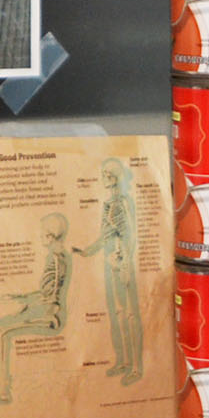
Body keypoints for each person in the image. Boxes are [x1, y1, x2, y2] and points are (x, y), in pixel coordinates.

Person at [0, 214, 71, 408]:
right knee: (0, 324)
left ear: (51, 236)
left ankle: (2, 393)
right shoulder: (55, 255)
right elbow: (46, 292)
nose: (39, 236)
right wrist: (22, 299)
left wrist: (27, 303)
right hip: (43, 310)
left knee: (3, 333)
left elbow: (51, 296)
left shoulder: (56, 258)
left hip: (51, 316)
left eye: (42, 234)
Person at [70, 158, 144, 386]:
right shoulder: (108, 204)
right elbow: (105, 236)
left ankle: (136, 367)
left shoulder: (122, 203)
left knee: (131, 314)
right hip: (110, 261)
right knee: (119, 313)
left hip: (123, 263)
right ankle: (122, 361)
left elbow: (129, 235)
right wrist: (86, 252)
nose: (102, 178)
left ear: (112, 177)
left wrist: (125, 264)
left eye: (104, 174)